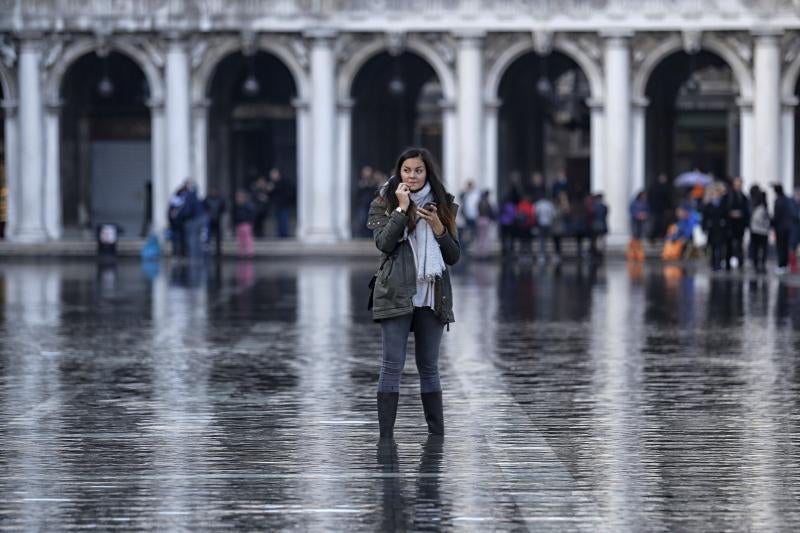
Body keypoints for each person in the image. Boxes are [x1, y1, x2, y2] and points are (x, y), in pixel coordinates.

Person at [366, 147, 460, 440]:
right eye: (407, 170)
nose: (413, 176)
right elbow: (384, 243)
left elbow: (454, 256)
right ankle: (385, 438)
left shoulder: (442, 204)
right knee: (391, 365)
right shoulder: (383, 202)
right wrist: (400, 209)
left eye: (418, 170)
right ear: (399, 172)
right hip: (396, 293)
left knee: (429, 367)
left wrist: (439, 228)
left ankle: (436, 435)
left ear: (427, 172)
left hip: (432, 295)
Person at [723, 176, 749, 270]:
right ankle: (727, 263)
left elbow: (746, 211)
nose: (738, 186)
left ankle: (740, 262)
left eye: (740, 184)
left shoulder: (743, 197)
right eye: (737, 184)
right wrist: (730, 214)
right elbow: (724, 210)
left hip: (740, 225)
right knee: (729, 244)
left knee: (739, 244)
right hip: (730, 225)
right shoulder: (728, 196)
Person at [702, 183, 727, 271]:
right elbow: (705, 218)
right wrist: (705, 227)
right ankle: (713, 263)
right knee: (712, 247)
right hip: (712, 229)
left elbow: (725, 215)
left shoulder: (723, 204)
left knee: (720, 247)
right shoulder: (708, 205)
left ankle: (719, 263)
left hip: (720, 229)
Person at [748, 186, 770, 274]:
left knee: (758, 249)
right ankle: (758, 264)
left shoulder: (757, 206)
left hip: (758, 230)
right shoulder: (760, 207)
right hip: (760, 231)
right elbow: (760, 219)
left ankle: (758, 264)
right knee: (760, 249)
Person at [773, 184, 794, 274]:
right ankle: (785, 265)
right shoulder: (788, 199)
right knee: (785, 247)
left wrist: (772, 224)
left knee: (781, 247)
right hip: (788, 227)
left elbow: (776, 216)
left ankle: (782, 265)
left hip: (780, 227)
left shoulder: (778, 201)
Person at [648, 173, 672, 241]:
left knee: (660, 223)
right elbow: (667, 199)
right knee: (656, 223)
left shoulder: (656, 187)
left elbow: (667, 199)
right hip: (657, 209)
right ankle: (653, 237)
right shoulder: (659, 188)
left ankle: (657, 236)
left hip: (660, 209)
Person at [203, 186, 226, 257]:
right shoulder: (207, 199)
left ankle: (218, 252)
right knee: (208, 236)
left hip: (217, 219)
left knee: (218, 237)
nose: (213, 192)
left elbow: (223, 209)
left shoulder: (220, 199)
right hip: (209, 220)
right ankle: (208, 251)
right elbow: (203, 208)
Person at [233, 189, 256, 257]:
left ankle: (249, 252)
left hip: (246, 224)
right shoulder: (237, 206)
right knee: (241, 239)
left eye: (240, 197)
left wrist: (250, 222)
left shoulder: (248, 206)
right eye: (238, 197)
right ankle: (241, 252)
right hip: (239, 224)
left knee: (247, 238)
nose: (239, 199)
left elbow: (251, 214)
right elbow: (234, 215)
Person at [627, 191, 649, 262]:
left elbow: (648, 210)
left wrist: (644, 215)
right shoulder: (634, 203)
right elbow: (632, 211)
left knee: (640, 237)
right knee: (635, 236)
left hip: (642, 222)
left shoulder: (645, 203)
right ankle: (632, 253)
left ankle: (639, 254)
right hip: (635, 222)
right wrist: (638, 215)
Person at [475, 189, 495, 259]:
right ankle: (485, 254)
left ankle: (479, 253)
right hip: (486, 220)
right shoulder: (488, 203)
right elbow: (491, 212)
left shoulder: (479, 202)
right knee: (486, 238)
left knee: (480, 237)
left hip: (479, 219)